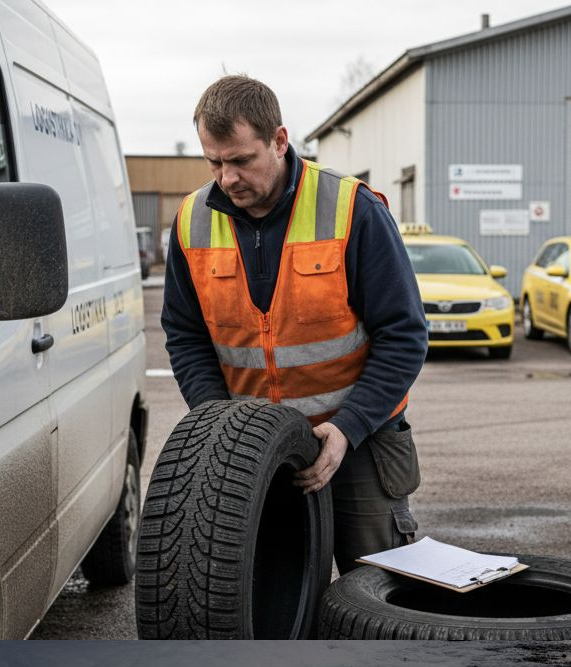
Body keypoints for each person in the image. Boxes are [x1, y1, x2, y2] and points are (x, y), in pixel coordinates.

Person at [162, 75, 427, 573]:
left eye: (242, 160)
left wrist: (347, 428)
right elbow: (186, 336)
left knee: (378, 594)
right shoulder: (191, 221)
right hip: (254, 451)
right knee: (265, 600)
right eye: (214, 162)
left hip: (360, 440)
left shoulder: (354, 211)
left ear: (280, 141)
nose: (227, 178)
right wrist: (224, 428)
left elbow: (404, 336)